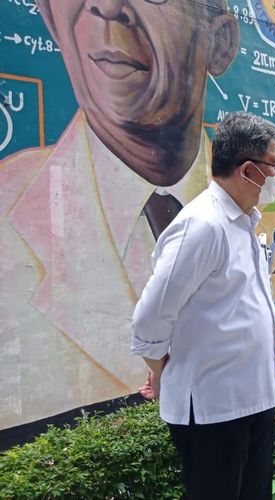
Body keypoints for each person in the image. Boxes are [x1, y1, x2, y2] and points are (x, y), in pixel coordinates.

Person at [0, 0, 240, 428]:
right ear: (50, 17)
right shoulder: (9, 217)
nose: (108, 7)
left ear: (219, 43)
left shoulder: (260, 224)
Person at [131, 112, 275, 499]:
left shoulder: (244, 221)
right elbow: (150, 317)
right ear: (248, 170)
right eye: (274, 165)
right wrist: (159, 369)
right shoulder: (203, 225)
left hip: (253, 399)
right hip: (214, 410)